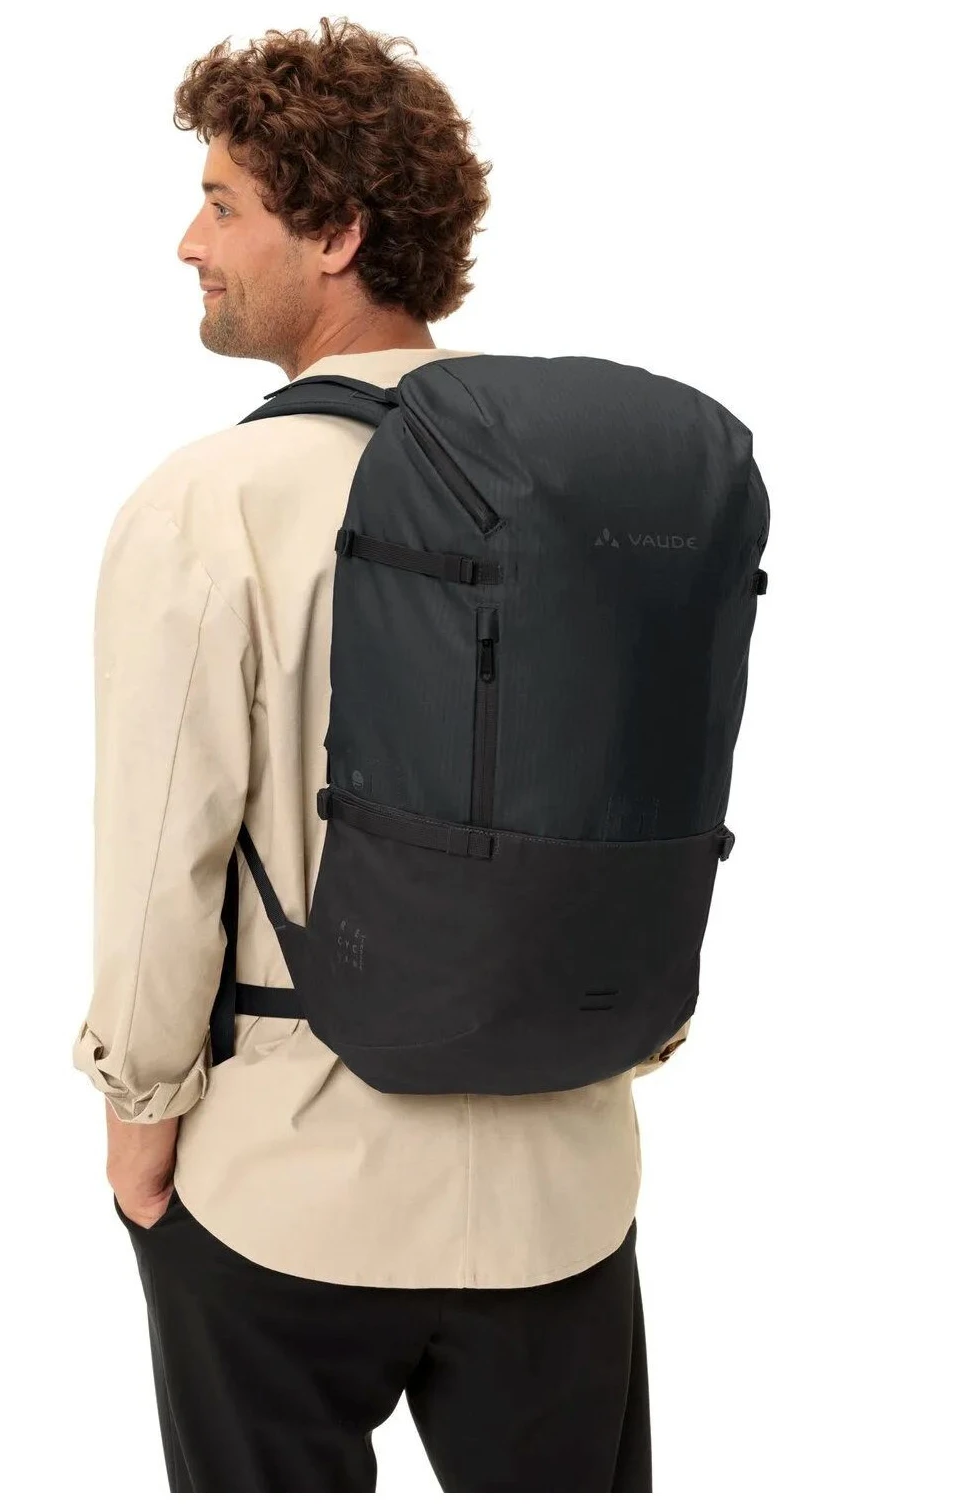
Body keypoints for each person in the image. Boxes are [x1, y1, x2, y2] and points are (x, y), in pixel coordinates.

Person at [72, 18, 689, 1492]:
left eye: (223, 203)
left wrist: (138, 1117)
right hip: (563, 1193)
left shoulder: (215, 499)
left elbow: (164, 852)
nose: (188, 242)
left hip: (291, 1187)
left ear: (337, 233)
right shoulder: (586, 490)